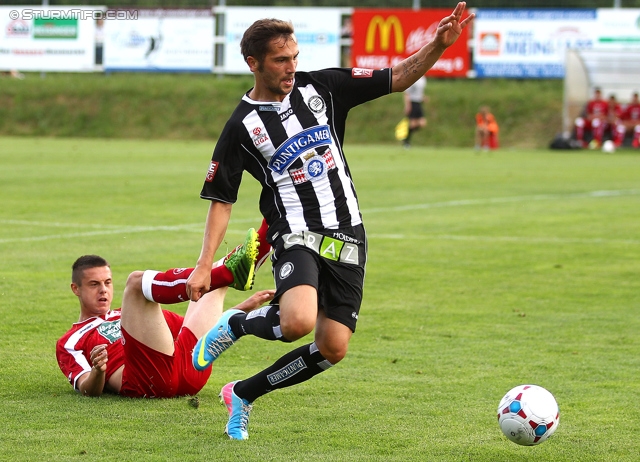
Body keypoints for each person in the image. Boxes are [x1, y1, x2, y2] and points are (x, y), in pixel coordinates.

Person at [185, 2, 474, 440]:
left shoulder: (321, 88)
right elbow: (221, 199)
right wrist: (204, 263)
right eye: (281, 60)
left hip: (349, 232)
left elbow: (398, 77)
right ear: (253, 64)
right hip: (296, 232)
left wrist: (436, 44)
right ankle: (236, 325)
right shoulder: (241, 126)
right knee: (297, 321)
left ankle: (242, 393)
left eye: (294, 57)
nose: (291, 67)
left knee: (333, 347)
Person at [56, 228, 274, 398]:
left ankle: (274, 226)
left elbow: (200, 328)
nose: (103, 289)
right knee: (136, 283)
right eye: (94, 284)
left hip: (192, 371)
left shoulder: (133, 316)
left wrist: (242, 307)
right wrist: (98, 370)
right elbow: (87, 389)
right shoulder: (70, 341)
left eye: (108, 282)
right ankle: (223, 274)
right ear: (76, 289)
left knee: (218, 269)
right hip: (149, 381)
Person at [401, 75, 428, 148]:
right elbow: (407, 94)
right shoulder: (413, 79)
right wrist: (407, 106)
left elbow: (419, 93)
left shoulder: (423, 79)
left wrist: (423, 98)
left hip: (418, 103)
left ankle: (406, 138)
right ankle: (406, 141)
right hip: (412, 102)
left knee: (422, 123)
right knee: (412, 124)